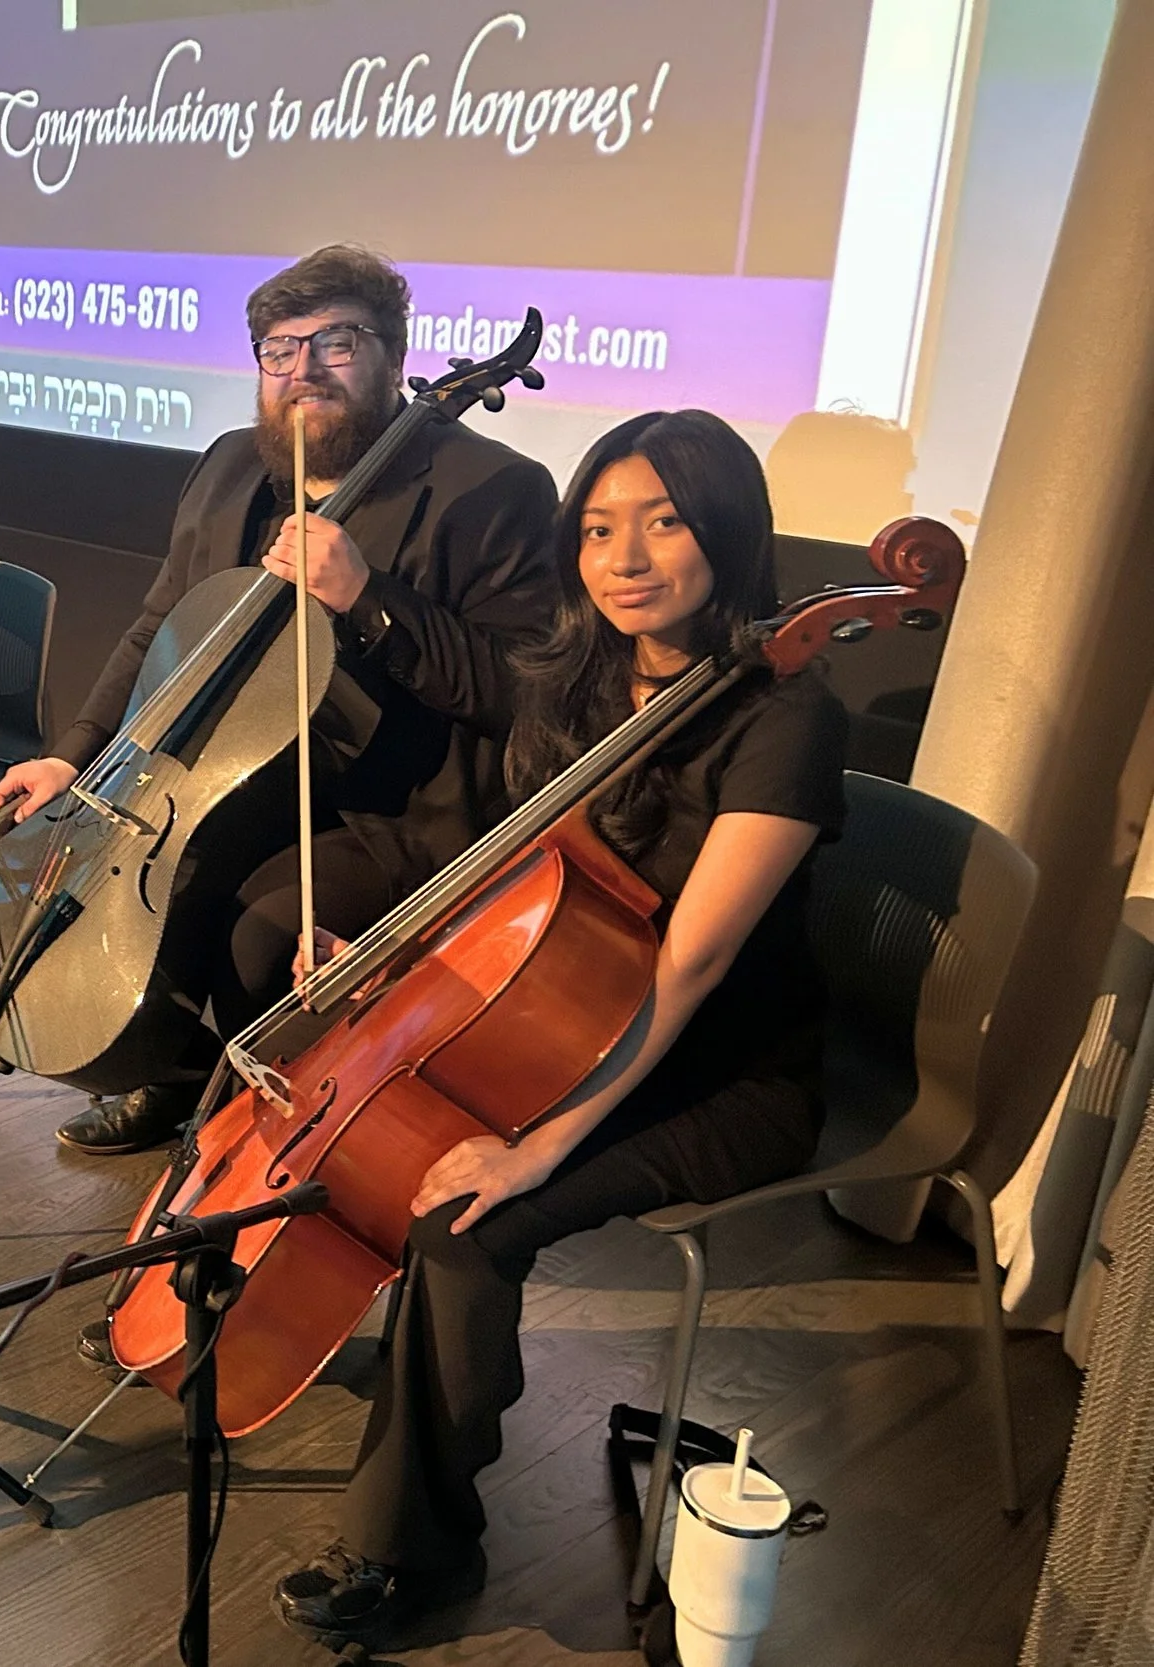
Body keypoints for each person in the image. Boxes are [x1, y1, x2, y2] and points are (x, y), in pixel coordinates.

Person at [271, 409, 849, 1647]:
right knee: (368, 1114)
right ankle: (384, 1363)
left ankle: (416, 1545)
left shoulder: (787, 720)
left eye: (663, 521)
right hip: (579, 1025)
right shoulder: (578, 682)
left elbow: (688, 964)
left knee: (468, 1217)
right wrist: (388, 975)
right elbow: (522, 897)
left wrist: (540, 1147)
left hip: (718, 1073)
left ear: (729, 531)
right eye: (597, 527)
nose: (624, 556)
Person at [0, 246, 560, 1155]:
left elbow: (524, 691)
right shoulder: (226, 469)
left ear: (395, 356)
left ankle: (301, 1142)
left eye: (338, 341)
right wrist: (76, 751)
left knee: (258, 930)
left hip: (390, 805)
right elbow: (155, 629)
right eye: (280, 349)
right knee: (145, 880)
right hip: (230, 772)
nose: (304, 370)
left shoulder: (494, 492)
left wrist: (371, 598)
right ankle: (174, 1075)